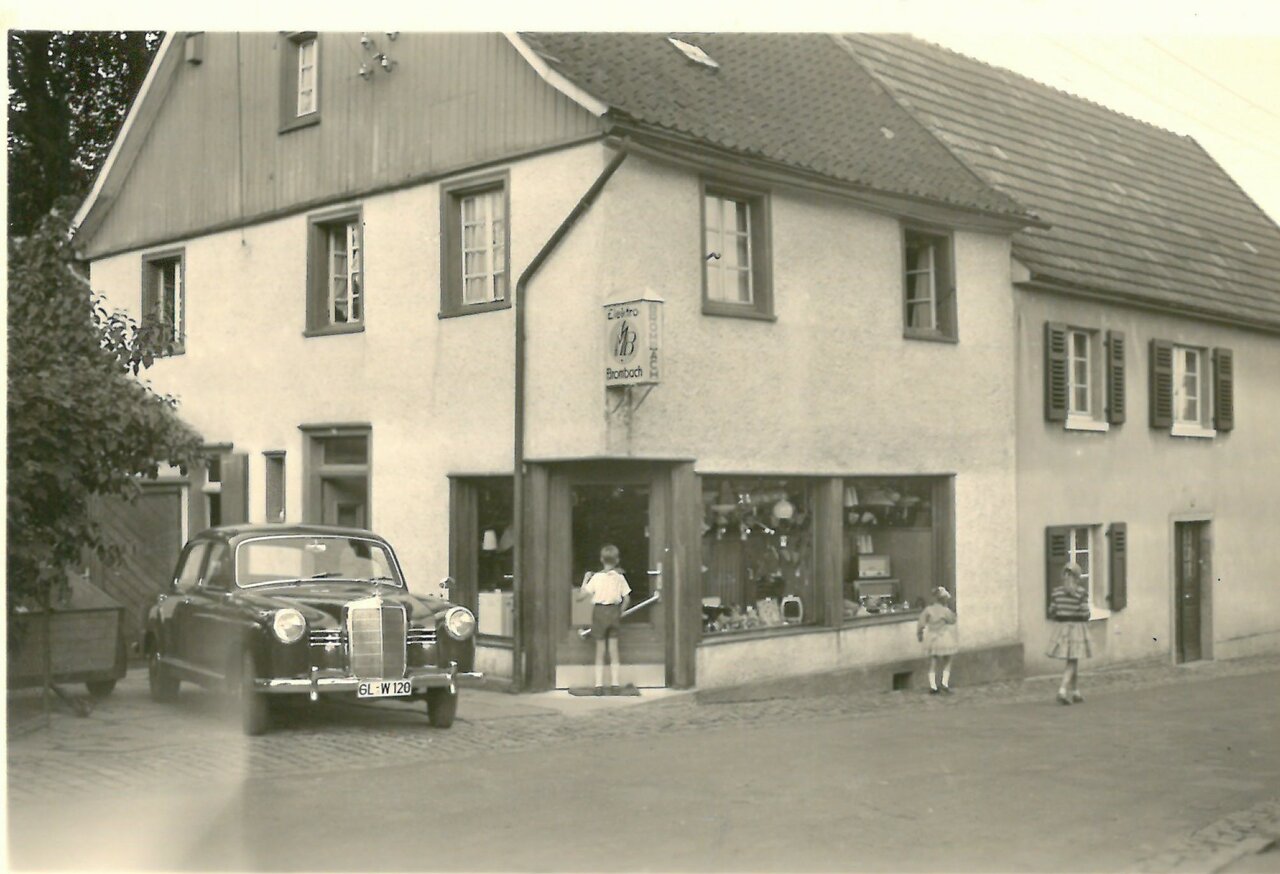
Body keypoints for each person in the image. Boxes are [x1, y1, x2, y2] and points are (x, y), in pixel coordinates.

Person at [575, 544, 632, 695]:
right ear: (617, 560)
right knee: (614, 650)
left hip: (599, 613)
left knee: (600, 651)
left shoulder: (596, 578)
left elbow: (580, 598)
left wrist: (585, 579)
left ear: (601, 559)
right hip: (614, 612)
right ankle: (615, 684)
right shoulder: (620, 578)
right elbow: (627, 599)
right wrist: (620, 611)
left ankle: (598, 685)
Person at [1046, 561, 1092, 704]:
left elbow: (1051, 611)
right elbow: (1086, 613)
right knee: (1072, 661)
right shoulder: (1081, 593)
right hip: (1076, 628)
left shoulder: (1057, 592)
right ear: (1078, 578)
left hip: (1062, 628)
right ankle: (1063, 689)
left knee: (1073, 660)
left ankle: (1076, 692)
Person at [916, 587, 958, 693]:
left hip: (932, 638)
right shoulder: (945, 610)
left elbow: (921, 623)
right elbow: (952, 620)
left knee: (933, 662)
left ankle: (933, 686)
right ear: (944, 600)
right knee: (947, 661)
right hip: (944, 637)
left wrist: (919, 634)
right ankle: (944, 684)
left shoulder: (928, 610)